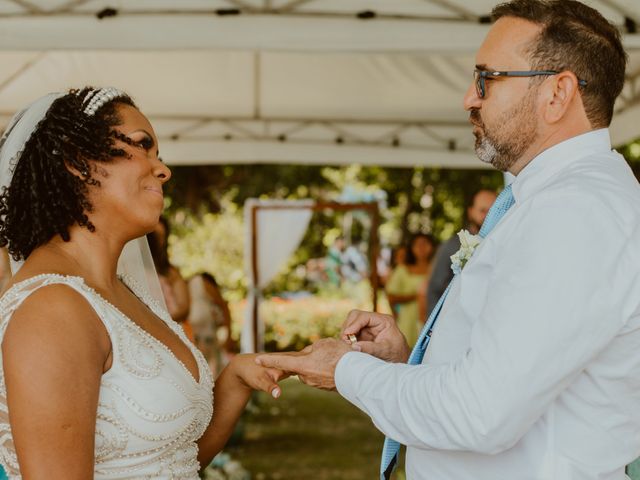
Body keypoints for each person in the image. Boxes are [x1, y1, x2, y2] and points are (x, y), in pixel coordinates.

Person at [256, 1, 640, 479]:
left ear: (557, 93)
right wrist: (407, 362)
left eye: (487, 79)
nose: (469, 99)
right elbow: (511, 368)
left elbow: (481, 413)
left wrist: (345, 370)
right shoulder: (552, 201)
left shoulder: (575, 212)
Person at [0, 87, 284, 479]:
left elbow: (169, 461)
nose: (163, 169)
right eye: (141, 146)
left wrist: (234, 380)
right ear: (77, 161)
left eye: (159, 155)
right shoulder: (52, 308)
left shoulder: (125, 293)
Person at [425, 189, 496, 317]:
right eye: (483, 210)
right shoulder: (452, 246)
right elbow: (434, 289)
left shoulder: (502, 243)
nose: (488, 215)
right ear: (470, 212)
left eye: (493, 210)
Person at [147, 216, 193, 340]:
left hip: (172, 331)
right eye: (155, 237)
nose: (159, 242)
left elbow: (184, 307)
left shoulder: (170, 272)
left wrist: (159, 322)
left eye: (162, 237)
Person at [385, 234, 434, 346]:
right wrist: (417, 296)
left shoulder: (438, 269)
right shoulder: (402, 269)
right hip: (407, 322)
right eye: (418, 245)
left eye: (425, 244)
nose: (422, 248)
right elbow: (391, 297)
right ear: (412, 248)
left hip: (432, 320)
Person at [189, 272, 234, 376]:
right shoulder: (197, 283)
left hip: (207, 339)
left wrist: (229, 335)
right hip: (196, 338)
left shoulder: (199, 283)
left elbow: (223, 307)